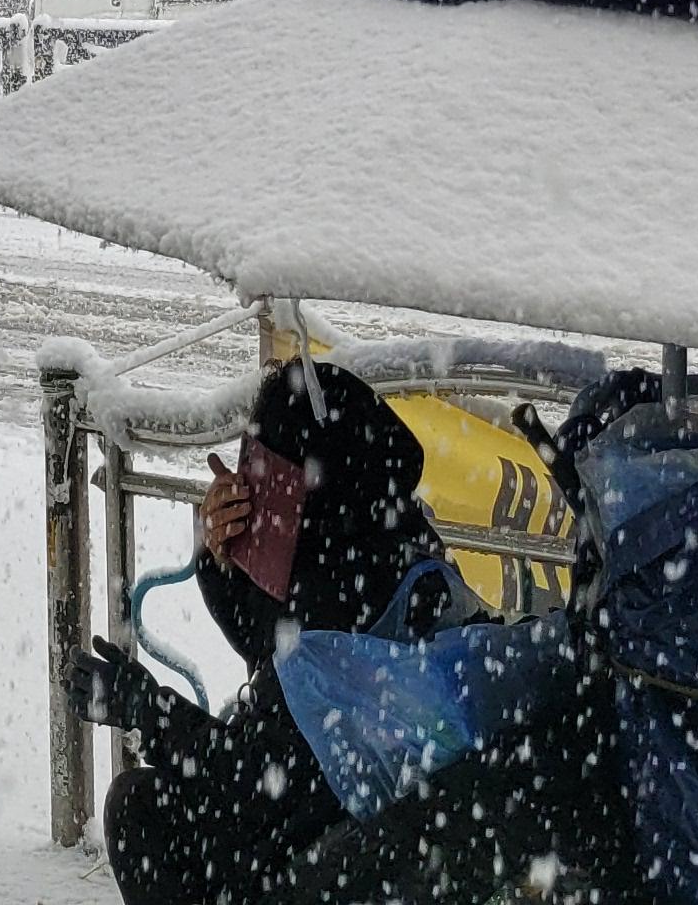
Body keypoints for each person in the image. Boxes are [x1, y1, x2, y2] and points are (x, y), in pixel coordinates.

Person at [73, 357, 633, 905]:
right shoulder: (376, 536)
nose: (250, 486)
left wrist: (144, 706)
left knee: (140, 809)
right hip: (374, 832)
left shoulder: (338, 607)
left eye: (264, 476)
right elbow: (269, 651)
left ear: (306, 482)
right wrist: (223, 555)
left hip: (343, 855)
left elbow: (251, 779)